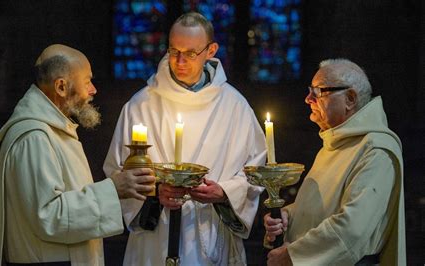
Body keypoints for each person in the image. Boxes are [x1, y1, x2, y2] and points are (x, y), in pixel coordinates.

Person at [103, 12, 267, 266]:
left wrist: (224, 192)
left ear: (211, 50)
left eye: (190, 53)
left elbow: (255, 172)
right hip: (155, 240)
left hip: (210, 233)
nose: (179, 61)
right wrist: (156, 194)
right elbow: (117, 173)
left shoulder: (235, 107)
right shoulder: (141, 105)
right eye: (173, 50)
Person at [0, 44, 156, 266]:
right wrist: (112, 190)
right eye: (87, 82)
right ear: (61, 86)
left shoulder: (53, 131)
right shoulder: (34, 138)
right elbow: (48, 216)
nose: (93, 90)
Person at [264, 59, 405, 265]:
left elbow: (353, 228)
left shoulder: (376, 149)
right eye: (309, 90)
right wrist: (286, 217)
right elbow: (322, 208)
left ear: (350, 98)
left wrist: (293, 256)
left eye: (318, 92)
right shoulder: (334, 142)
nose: (307, 99)